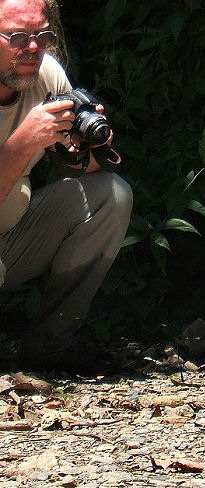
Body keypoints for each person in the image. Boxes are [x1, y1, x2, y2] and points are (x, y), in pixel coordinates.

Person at [0, 0, 132, 372]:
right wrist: (25, 140)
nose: (32, 48)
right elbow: (27, 143)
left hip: (12, 238)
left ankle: (50, 346)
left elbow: (69, 163)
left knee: (111, 196)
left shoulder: (44, 75)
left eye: (42, 36)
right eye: (17, 37)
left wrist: (92, 150)